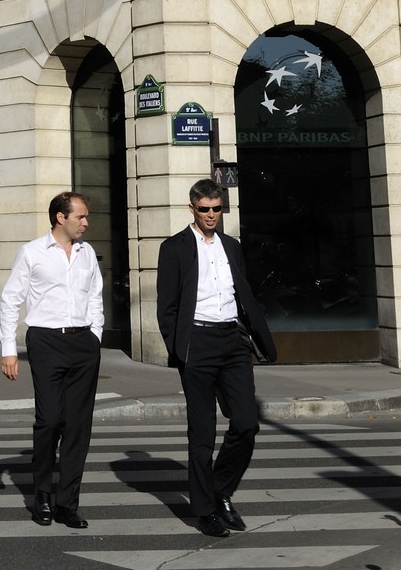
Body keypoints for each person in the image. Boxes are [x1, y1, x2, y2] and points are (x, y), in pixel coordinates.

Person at [156, 177, 276, 538]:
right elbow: (167, 306)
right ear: (192, 208)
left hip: (232, 341)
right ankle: (206, 509)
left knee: (246, 423)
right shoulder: (174, 247)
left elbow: (242, 291)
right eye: (204, 209)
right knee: (202, 433)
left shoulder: (232, 246)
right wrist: (181, 349)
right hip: (198, 342)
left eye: (217, 209)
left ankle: (220, 490)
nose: (211, 215)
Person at [0, 191, 103, 530]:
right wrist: (8, 349)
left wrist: (95, 335)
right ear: (61, 218)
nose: (86, 223)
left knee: (78, 426)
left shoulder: (87, 254)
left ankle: (67, 504)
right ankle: (42, 493)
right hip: (45, 341)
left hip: (83, 343)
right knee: (49, 420)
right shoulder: (32, 252)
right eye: (81, 217)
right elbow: (10, 300)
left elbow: (96, 296)